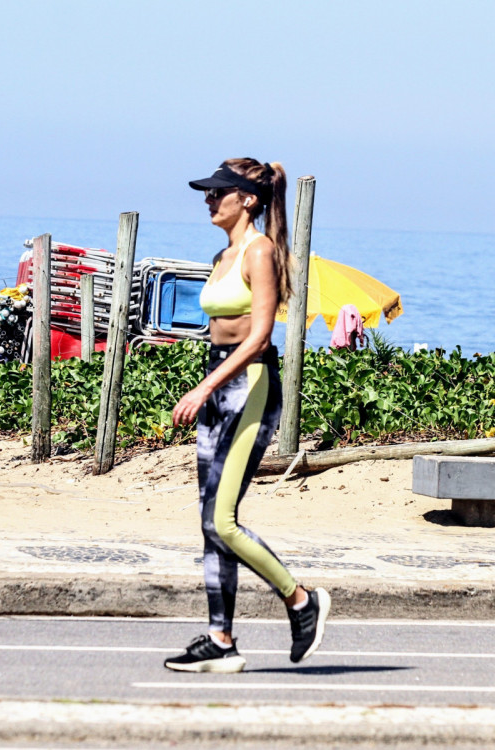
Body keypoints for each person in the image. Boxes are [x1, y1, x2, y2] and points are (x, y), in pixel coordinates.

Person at [164, 159, 330, 673]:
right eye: (208, 193)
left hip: (250, 385)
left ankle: (301, 600)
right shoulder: (223, 254)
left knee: (223, 520)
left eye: (219, 193)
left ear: (249, 199)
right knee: (210, 524)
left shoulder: (260, 252)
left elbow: (259, 335)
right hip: (219, 382)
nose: (209, 200)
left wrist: (205, 387)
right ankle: (221, 640)